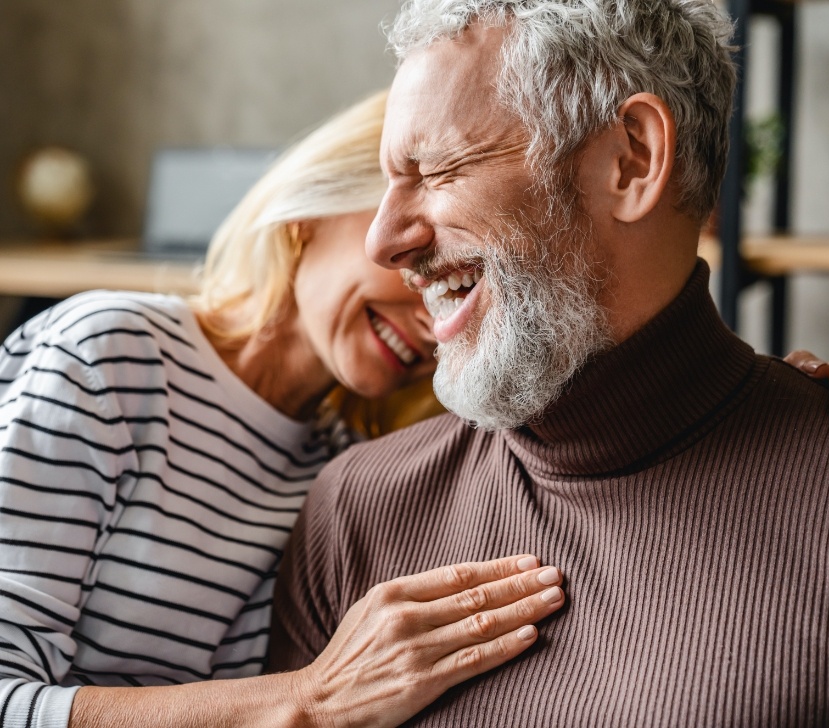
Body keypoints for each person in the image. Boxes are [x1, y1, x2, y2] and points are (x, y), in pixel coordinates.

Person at [271, 2, 829, 726]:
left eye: (439, 170)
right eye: (390, 182)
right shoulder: (358, 510)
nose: (384, 241)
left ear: (631, 159)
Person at [0, 90, 567, 728]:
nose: (432, 311)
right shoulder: (109, 355)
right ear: (311, 214)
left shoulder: (340, 467)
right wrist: (309, 700)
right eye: (412, 254)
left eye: (458, 283)